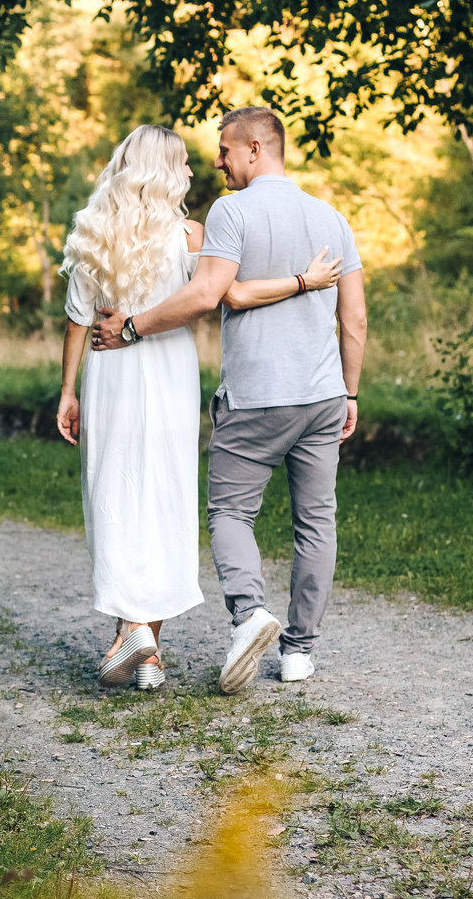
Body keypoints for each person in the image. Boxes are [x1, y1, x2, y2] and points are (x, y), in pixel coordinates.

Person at [90, 107, 366, 694]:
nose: (217, 161)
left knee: (231, 514)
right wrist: (350, 390)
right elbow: (356, 319)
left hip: (256, 397)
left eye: (224, 150)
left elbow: (209, 295)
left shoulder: (231, 211)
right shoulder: (332, 218)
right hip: (323, 395)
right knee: (317, 522)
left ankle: (248, 616)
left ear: (255, 149)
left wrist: (132, 328)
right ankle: (299, 652)